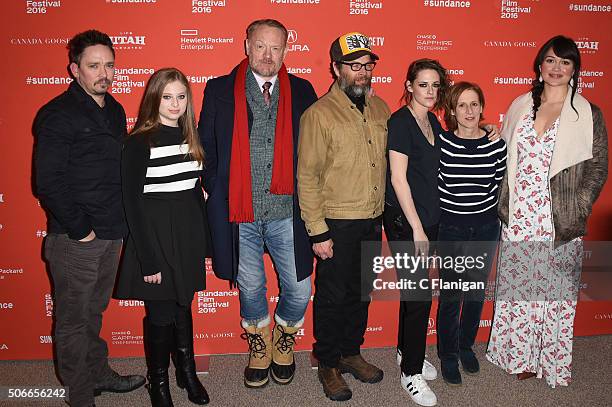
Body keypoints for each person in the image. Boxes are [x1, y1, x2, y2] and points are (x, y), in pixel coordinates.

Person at [198, 19, 318, 388]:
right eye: (261, 46)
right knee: (250, 287)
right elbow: (207, 146)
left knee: (298, 289)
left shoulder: (302, 90)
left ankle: (283, 339)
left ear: (286, 51)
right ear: (246, 45)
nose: (268, 55)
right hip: (240, 212)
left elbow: (315, 148)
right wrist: (215, 188)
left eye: (276, 48)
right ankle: (259, 347)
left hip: (288, 211)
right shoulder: (218, 89)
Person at [486, 35, 608, 388]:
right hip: (520, 214)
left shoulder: (587, 113)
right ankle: (517, 355)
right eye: (551, 61)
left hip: (559, 218)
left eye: (565, 62)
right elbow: (505, 153)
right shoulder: (521, 104)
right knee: (519, 287)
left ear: (574, 69)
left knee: (554, 291)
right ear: (540, 67)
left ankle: (548, 360)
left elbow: (597, 167)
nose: (557, 68)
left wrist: (579, 205)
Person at [34, 29, 145, 407]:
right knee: (73, 321)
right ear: (74, 69)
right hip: (75, 238)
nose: (104, 73)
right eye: (94, 65)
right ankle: (80, 395)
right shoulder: (56, 114)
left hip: (112, 231)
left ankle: (97, 373)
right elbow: (47, 182)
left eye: (109, 65)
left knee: (93, 313)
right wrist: (81, 230)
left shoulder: (112, 109)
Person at [298, 32, 390, 402]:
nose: (362, 73)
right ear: (336, 68)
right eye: (354, 66)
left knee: (362, 292)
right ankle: (328, 363)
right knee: (333, 296)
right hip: (336, 221)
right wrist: (318, 232)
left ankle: (352, 351)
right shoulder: (318, 114)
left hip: (372, 217)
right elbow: (307, 176)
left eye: (367, 66)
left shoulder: (382, 109)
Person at [115, 68, 210, 406]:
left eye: (181, 97)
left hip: (186, 234)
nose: (175, 104)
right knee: (159, 313)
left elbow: (194, 192)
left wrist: (206, 243)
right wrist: (148, 258)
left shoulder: (192, 135)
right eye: (167, 97)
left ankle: (187, 372)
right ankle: (158, 384)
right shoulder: (139, 141)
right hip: (153, 236)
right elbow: (132, 204)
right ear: (154, 98)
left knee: (184, 303)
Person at [383, 58, 448, 407]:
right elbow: (398, 179)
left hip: (430, 218)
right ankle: (410, 372)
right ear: (409, 86)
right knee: (420, 296)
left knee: (415, 294)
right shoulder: (400, 123)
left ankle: (405, 350)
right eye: (423, 84)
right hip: (407, 223)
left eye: (435, 85)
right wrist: (418, 229)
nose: (430, 91)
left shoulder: (432, 121)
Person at [436, 82, 506, 386]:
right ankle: (448, 354)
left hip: (486, 227)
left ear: (482, 107)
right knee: (451, 295)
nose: (469, 111)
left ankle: (466, 347)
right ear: (452, 110)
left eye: (474, 104)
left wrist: (485, 218)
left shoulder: (497, 144)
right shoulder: (442, 143)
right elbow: (436, 185)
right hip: (451, 227)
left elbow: (497, 184)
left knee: (475, 293)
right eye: (462, 105)